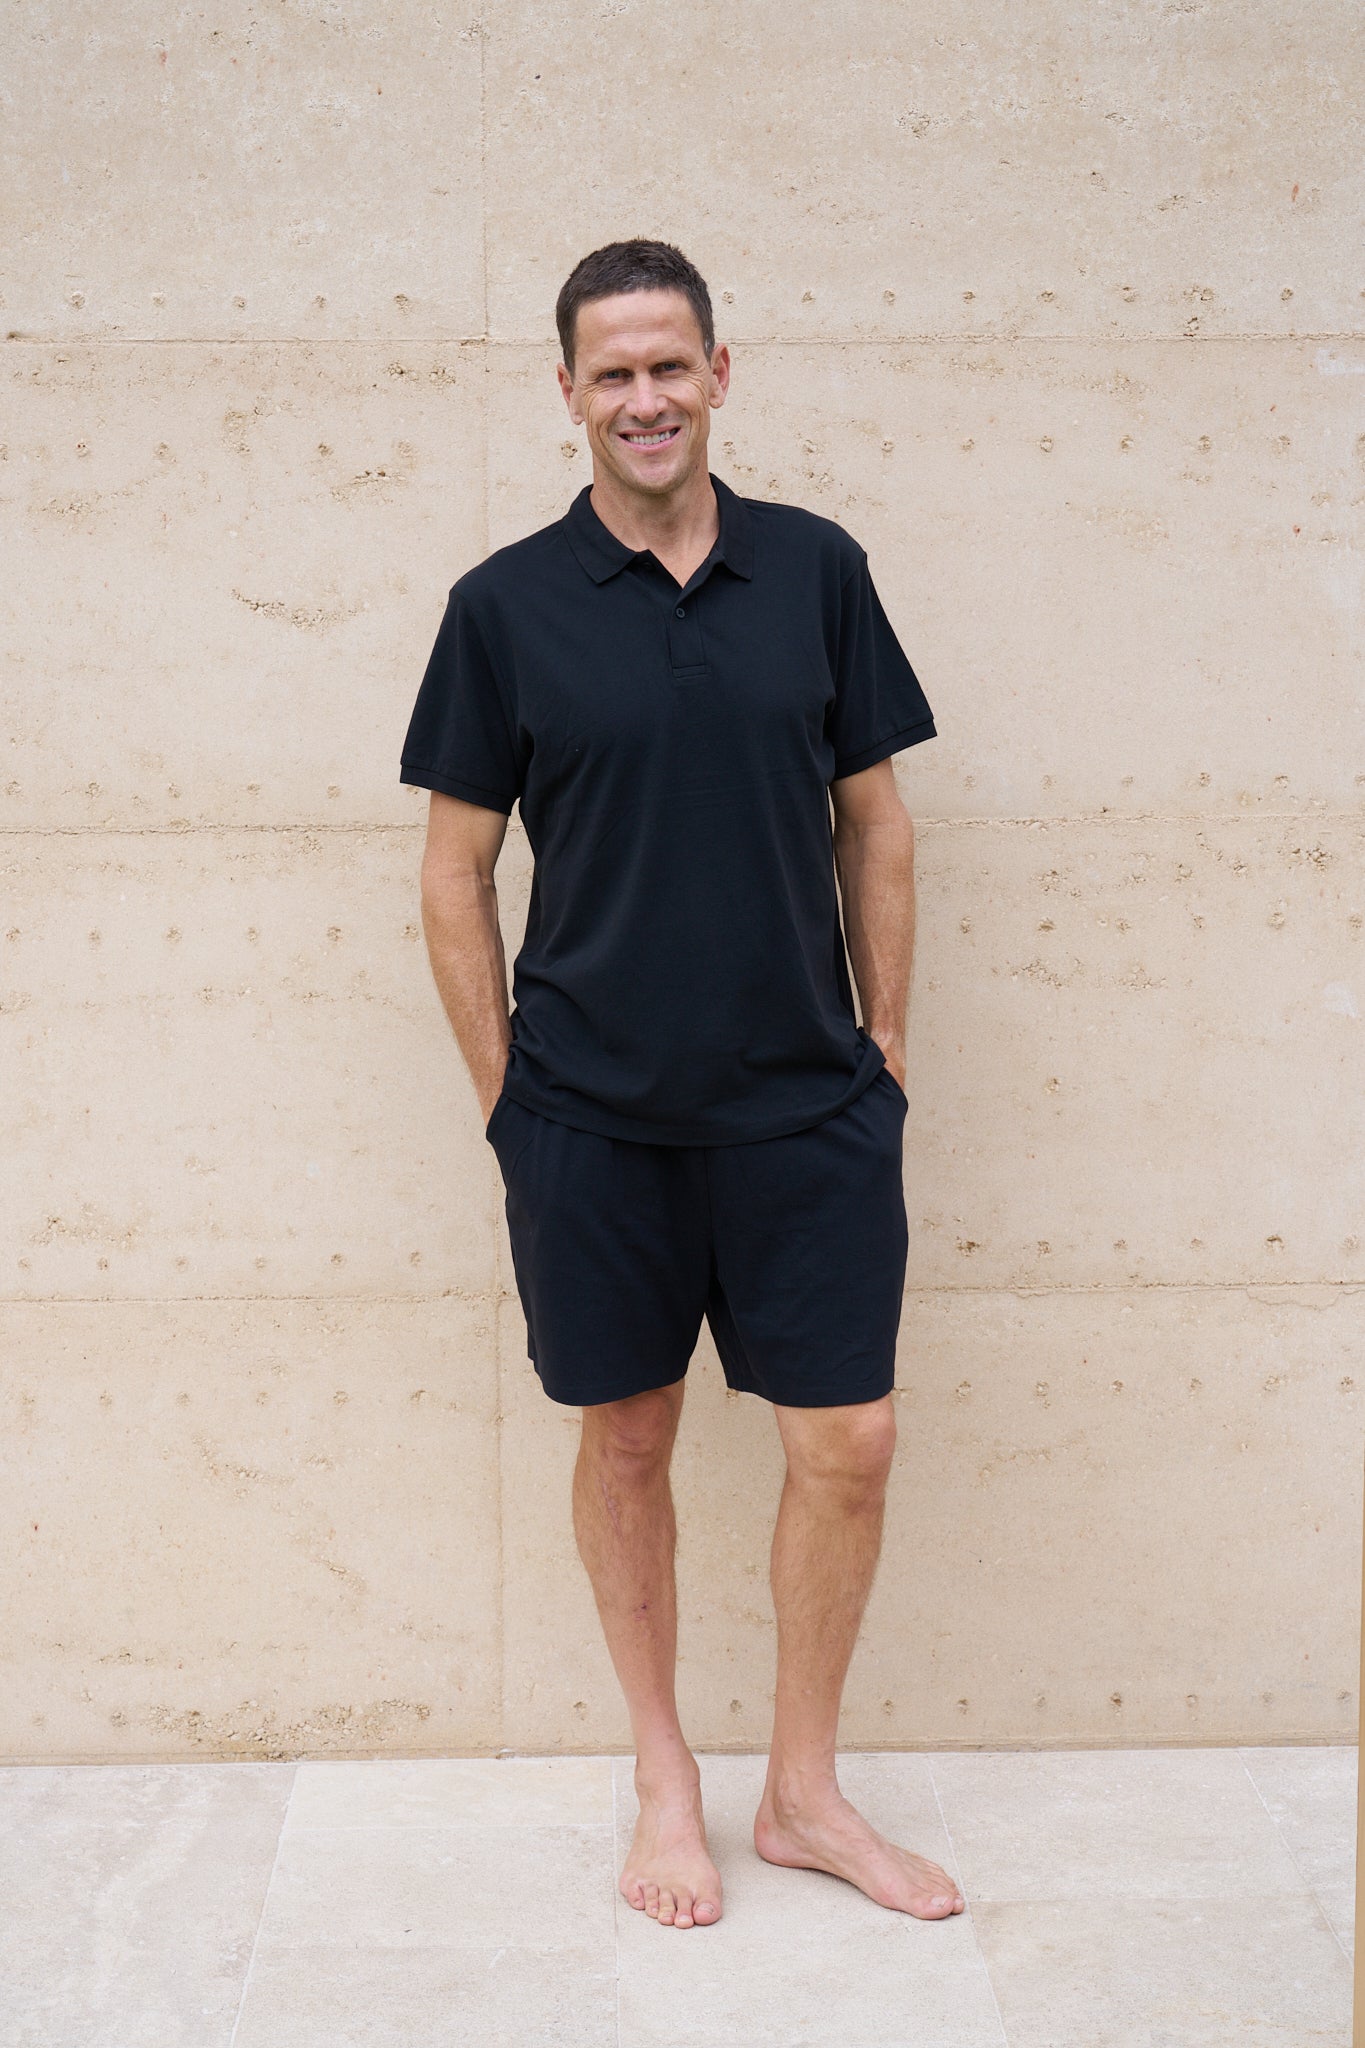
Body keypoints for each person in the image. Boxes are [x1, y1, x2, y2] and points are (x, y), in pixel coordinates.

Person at [400, 238, 964, 1931]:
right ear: (564, 394)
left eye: (669, 364)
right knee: (625, 1432)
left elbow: (876, 817)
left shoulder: (815, 571)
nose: (642, 398)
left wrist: (886, 1046)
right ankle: (665, 1778)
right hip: (590, 1121)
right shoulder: (500, 608)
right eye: (609, 372)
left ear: (723, 373)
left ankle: (801, 1794)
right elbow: (452, 875)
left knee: (847, 1440)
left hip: (804, 1109)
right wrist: (511, 1100)